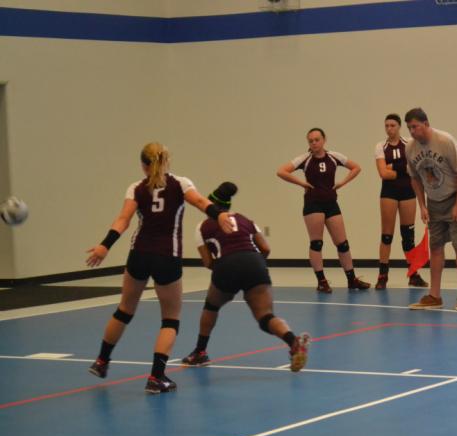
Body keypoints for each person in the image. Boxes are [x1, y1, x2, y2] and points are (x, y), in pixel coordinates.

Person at [86, 142, 233, 394]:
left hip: (139, 254)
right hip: (167, 256)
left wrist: (104, 245)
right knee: (170, 318)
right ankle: (156, 376)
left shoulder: (136, 188)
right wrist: (218, 214)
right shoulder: (181, 183)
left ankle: (101, 361)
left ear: (143, 165)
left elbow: (123, 220)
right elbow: (200, 202)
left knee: (124, 310)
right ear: (167, 161)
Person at [182, 182, 310, 370]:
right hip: (254, 263)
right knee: (265, 316)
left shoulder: (202, 226)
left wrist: (225, 272)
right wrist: (254, 265)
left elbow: (208, 262)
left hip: (227, 265)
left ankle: (200, 352)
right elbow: (265, 248)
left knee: (211, 306)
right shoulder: (245, 220)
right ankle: (293, 341)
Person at [277, 128, 370, 292]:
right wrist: (301, 183)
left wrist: (342, 183)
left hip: (331, 203)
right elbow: (281, 171)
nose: (314, 143)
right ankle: (322, 281)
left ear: (324, 140)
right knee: (317, 243)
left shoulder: (333, 156)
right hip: (313, 204)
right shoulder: (304, 159)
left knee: (342, 243)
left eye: (317, 140)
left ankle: (352, 279)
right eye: (311, 141)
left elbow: (356, 167)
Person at [404, 107, 457, 311]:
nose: (412, 131)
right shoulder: (410, 148)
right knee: (436, 247)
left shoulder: (444, 141)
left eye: (415, 127)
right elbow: (414, 178)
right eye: (409, 128)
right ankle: (434, 296)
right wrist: (422, 205)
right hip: (435, 201)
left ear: (426, 124)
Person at [374, 113, 428, 289]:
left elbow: (416, 168)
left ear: (399, 127)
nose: (389, 129)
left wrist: (393, 167)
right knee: (386, 236)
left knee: (408, 237)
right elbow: (383, 173)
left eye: (392, 125)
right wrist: (403, 169)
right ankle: (383, 275)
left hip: (407, 192)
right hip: (389, 193)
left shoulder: (409, 144)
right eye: (386, 126)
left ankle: (413, 274)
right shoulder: (380, 146)